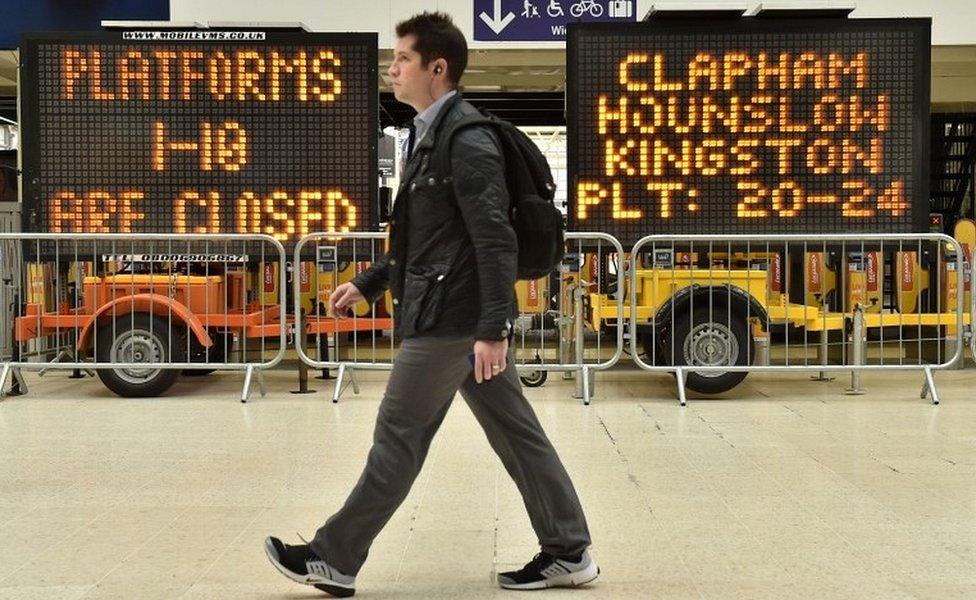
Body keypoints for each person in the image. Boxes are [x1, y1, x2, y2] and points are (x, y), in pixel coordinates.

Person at [264, 12, 596, 597]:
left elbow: (494, 239)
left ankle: (333, 557)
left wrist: (494, 327)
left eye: (402, 60)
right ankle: (569, 550)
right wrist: (369, 282)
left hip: (452, 320)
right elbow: (427, 239)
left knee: (399, 432)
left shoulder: (465, 141)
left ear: (436, 68)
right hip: (456, 312)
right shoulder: (428, 136)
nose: (391, 69)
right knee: (518, 434)